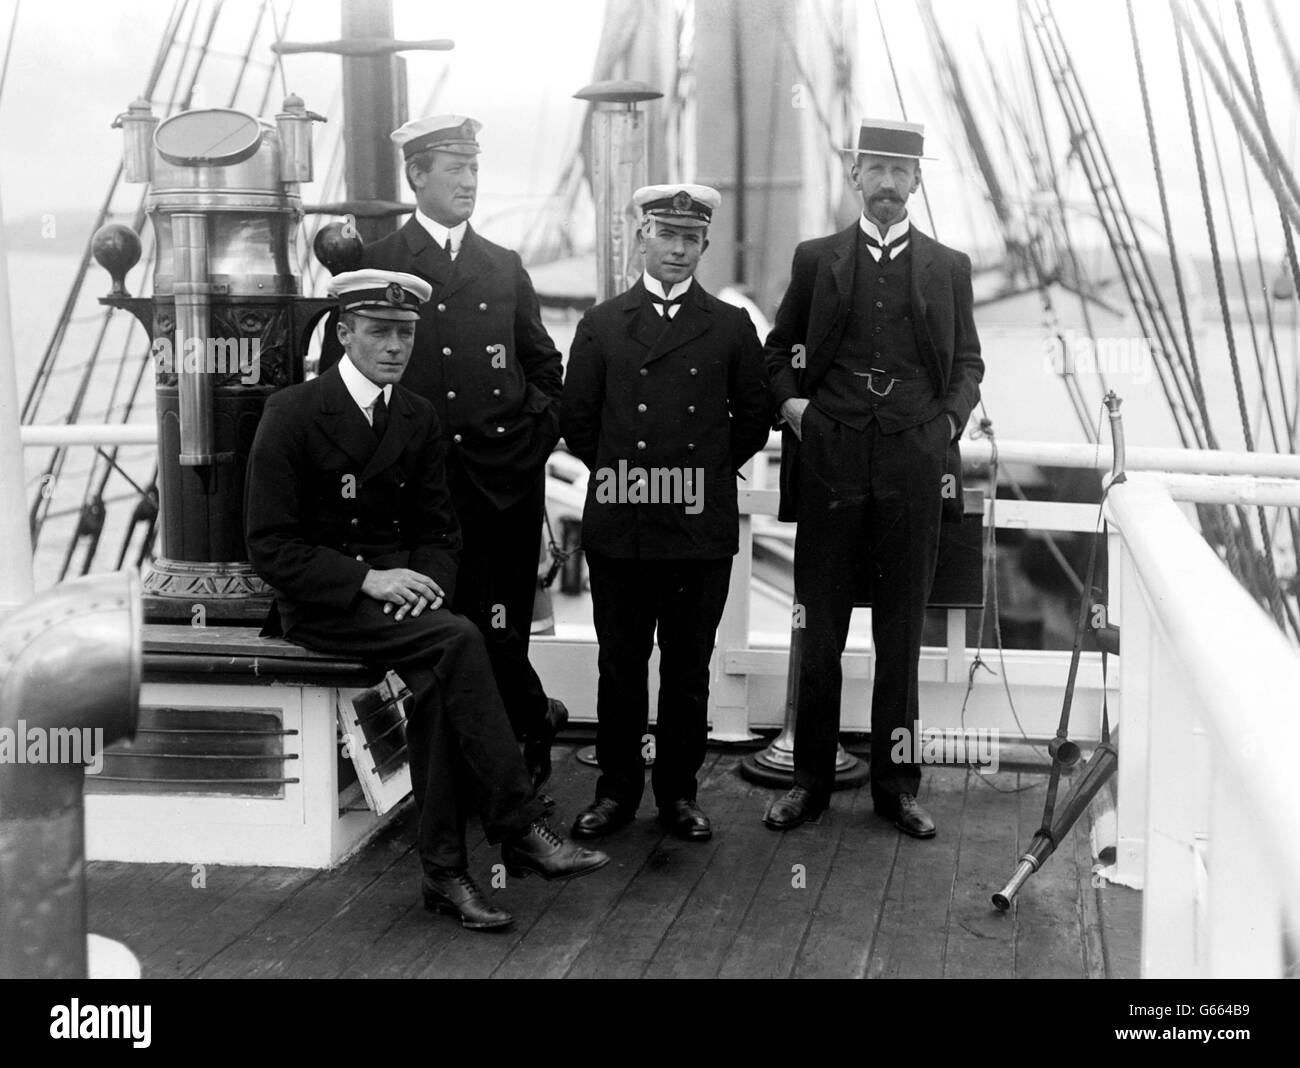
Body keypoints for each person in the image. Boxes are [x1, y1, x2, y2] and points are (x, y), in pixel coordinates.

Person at [247, 269, 608, 931]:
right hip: (325, 604)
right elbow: (271, 544)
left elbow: (441, 530)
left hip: (405, 609)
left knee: (444, 680)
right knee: (461, 640)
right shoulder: (294, 413)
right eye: (380, 331)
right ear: (345, 332)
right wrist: (369, 581)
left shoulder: (415, 416)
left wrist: (424, 585)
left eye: (405, 333)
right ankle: (518, 826)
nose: (394, 346)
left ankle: (445, 875)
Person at [320, 114, 568, 798]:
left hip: (502, 494)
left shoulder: (503, 266)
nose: (468, 180)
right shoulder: (377, 263)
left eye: (474, 167)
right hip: (415, 502)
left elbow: (547, 371)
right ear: (417, 175)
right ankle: (458, 775)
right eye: (453, 168)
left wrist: (527, 445)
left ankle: (520, 753)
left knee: (502, 633)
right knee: (435, 638)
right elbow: (332, 388)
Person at [761, 119, 983, 838]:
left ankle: (897, 788)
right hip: (831, 462)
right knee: (819, 631)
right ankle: (810, 785)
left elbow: (970, 364)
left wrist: (946, 425)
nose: (888, 184)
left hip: (913, 467)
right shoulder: (816, 258)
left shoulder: (948, 267)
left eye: (901, 171)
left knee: (900, 636)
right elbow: (778, 349)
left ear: (917, 181)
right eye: (876, 169)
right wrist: (794, 407)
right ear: (854, 174)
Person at [561, 184, 771, 841]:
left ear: (705, 245)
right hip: (622, 526)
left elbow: (754, 423)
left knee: (687, 673)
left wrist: (697, 477)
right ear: (641, 239)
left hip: (696, 530)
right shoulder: (601, 325)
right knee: (619, 669)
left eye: (691, 239)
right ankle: (616, 794)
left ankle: (679, 795)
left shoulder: (731, 328)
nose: (678, 249)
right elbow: (579, 423)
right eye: (666, 235)